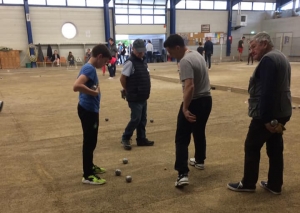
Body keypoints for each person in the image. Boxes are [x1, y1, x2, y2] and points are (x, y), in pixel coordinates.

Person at [227, 32, 292, 195]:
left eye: (254, 47)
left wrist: (265, 119)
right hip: (284, 111)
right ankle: (275, 184)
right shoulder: (281, 57)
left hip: (269, 113)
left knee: (251, 146)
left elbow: (267, 91)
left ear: (264, 44)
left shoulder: (268, 60)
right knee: (275, 148)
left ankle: (248, 183)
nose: (252, 51)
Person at [163, 34, 212, 187]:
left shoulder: (185, 60)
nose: (170, 55)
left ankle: (182, 173)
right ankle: (199, 160)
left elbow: (190, 86)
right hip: (207, 100)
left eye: (170, 52)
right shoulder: (197, 55)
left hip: (194, 101)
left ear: (178, 48)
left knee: (181, 138)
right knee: (199, 131)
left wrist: (185, 108)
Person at [73, 44, 112, 185]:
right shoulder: (89, 68)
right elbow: (76, 86)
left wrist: (96, 88)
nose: (105, 65)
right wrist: (94, 92)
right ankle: (87, 175)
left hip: (90, 109)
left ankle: (90, 166)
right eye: (105, 62)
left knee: (92, 140)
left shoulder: (88, 68)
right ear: (99, 56)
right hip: (88, 110)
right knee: (89, 142)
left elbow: (89, 84)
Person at [120, 39, 154, 151]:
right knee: (136, 118)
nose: (141, 53)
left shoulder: (143, 61)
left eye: (142, 51)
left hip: (143, 96)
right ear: (133, 49)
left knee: (143, 119)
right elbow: (123, 78)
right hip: (134, 96)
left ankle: (141, 138)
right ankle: (126, 137)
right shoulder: (130, 62)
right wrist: (126, 89)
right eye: (138, 51)